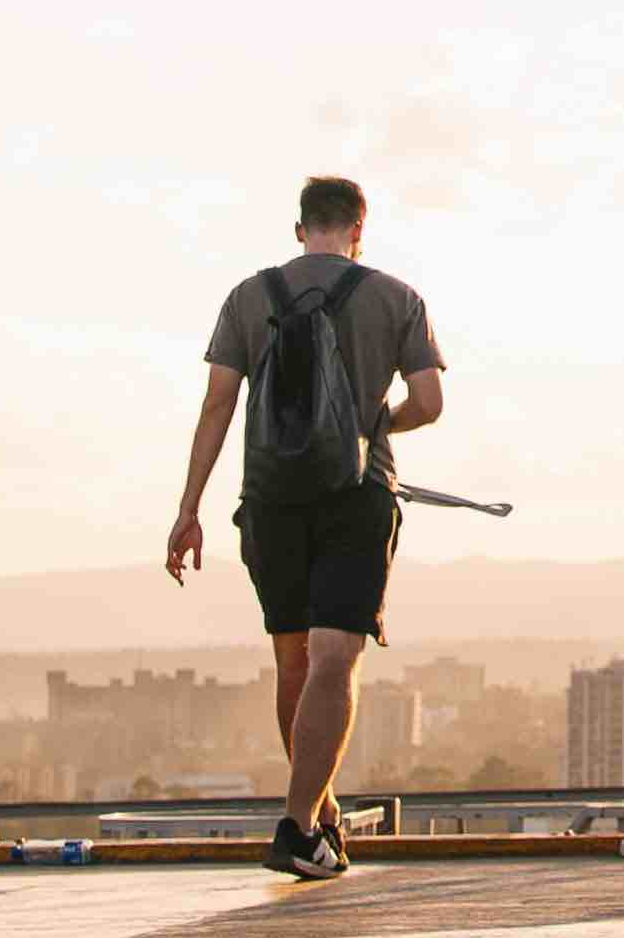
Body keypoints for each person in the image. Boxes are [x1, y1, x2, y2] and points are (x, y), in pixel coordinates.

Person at [168, 177, 447, 881]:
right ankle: (296, 825)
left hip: (269, 497)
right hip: (355, 492)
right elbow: (429, 400)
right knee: (334, 660)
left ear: (299, 229)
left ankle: (318, 816)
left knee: (293, 661)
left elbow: (216, 406)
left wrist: (188, 508)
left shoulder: (248, 296)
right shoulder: (395, 297)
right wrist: (378, 421)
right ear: (359, 229)